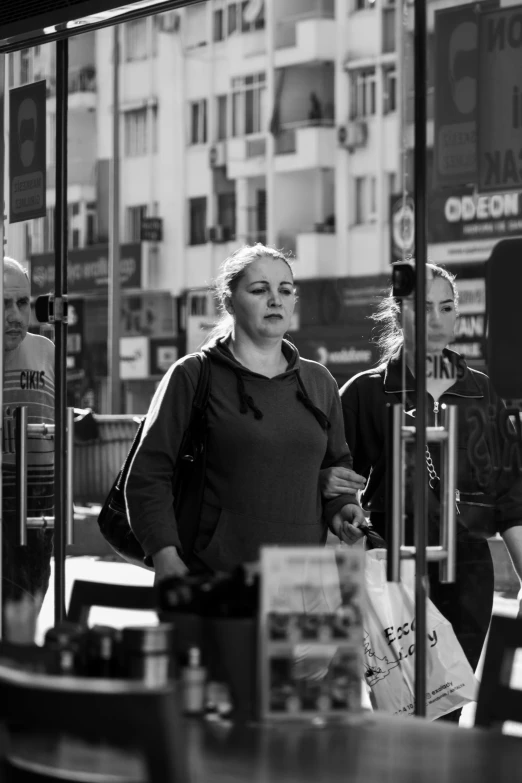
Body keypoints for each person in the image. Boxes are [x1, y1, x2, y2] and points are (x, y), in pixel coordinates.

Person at [323, 261, 522, 721]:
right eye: (422, 307)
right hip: (390, 568)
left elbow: (511, 496)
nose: (436, 319)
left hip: (468, 570)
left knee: (446, 712)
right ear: (398, 315)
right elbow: (334, 475)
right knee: (401, 714)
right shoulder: (367, 392)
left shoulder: (481, 393)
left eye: (447, 307)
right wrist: (336, 496)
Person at [125, 244, 366, 582]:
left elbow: (335, 468)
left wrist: (342, 508)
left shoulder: (319, 380)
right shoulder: (193, 375)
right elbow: (148, 476)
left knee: (320, 639)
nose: (275, 300)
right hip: (216, 577)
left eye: (285, 290)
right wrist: (165, 555)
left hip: (305, 579)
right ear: (228, 302)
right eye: (259, 290)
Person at [2, 257, 55, 614]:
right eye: (4, 304)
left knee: (25, 615)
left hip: (37, 504)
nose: (16, 316)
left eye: (22, 303)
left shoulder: (46, 351)